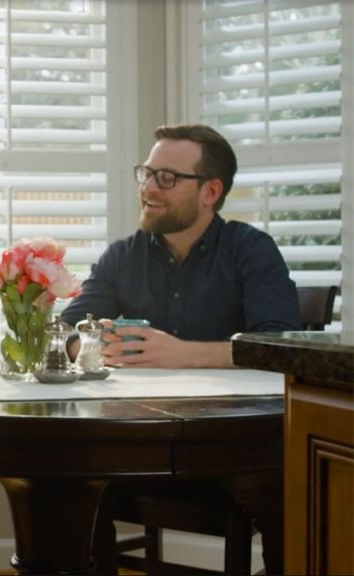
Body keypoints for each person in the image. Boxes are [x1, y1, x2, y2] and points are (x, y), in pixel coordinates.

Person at [61, 124, 300, 575]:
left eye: (166, 178)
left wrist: (182, 353)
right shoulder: (121, 257)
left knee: (283, 485)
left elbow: (280, 345)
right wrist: (91, 343)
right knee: (66, 477)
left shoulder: (252, 251)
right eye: (147, 174)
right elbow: (65, 332)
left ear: (210, 191)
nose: (148, 188)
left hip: (233, 446)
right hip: (137, 442)